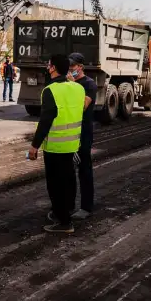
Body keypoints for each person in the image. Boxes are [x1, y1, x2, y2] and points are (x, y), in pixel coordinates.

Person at [28, 53, 85, 233]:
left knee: (55, 186)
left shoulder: (50, 91)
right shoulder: (78, 89)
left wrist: (34, 146)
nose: (47, 67)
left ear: (53, 68)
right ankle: (65, 212)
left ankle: (64, 222)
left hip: (55, 147)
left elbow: (45, 121)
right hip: (72, 145)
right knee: (68, 182)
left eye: (49, 64)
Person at [67, 52, 97, 220]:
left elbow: (82, 107)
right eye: (68, 67)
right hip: (68, 134)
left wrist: (72, 86)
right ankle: (68, 206)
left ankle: (86, 206)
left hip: (83, 134)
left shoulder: (89, 84)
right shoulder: (66, 83)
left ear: (80, 67)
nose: (70, 70)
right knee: (67, 172)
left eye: (73, 67)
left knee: (84, 170)